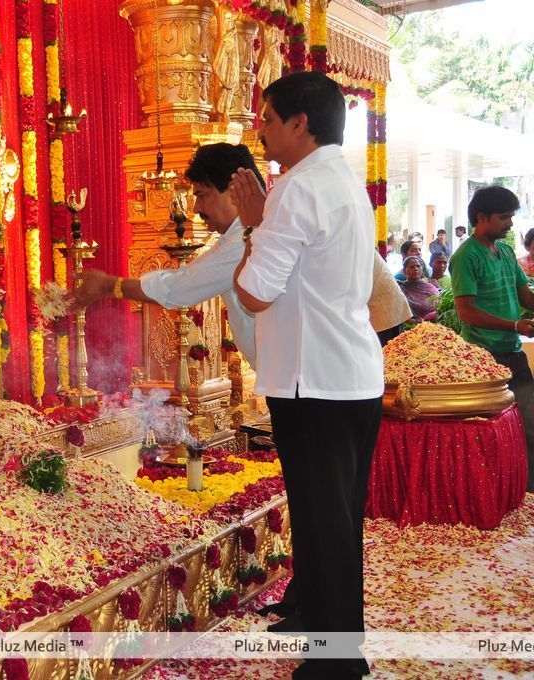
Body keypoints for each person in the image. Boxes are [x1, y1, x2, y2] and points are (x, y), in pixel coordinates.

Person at [229, 71, 382, 680]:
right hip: (348, 376)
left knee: (327, 523)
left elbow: (255, 294)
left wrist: (250, 224)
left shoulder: (294, 189)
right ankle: (316, 620)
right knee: (331, 516)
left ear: (300, 123)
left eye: (267, 118)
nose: (260, 130)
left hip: (313, 382)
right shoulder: (344, 179)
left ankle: (339, 664)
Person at [67, 143, 264, 367]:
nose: (196, 208)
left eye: (202, 195)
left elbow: (182, 287)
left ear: (233, 191)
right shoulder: (241, 234)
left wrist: (111, 285)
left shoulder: (243, 240)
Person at [450, 186, 534, 491]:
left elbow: (525, 296)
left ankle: (524, 495)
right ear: (482, 217)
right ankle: (489, 493)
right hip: (481, 359)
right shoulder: (465, 257)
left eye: (511, 216)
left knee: (529, 428)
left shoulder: (508, 252)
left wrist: (519, 324)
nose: (510, 223)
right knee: (487, 433)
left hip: (512, 355)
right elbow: (466, 312)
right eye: (504, 217)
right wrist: (515, 326)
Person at [398, 256, 440, 322]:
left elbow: (439, 307)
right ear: (404, 271)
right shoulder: (400, 288)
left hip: (430, 325)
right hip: (406, 326)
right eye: (412, 267)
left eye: (418, 266)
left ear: (422, 269)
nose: (416, 269)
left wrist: (424, 318)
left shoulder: (430, 288)